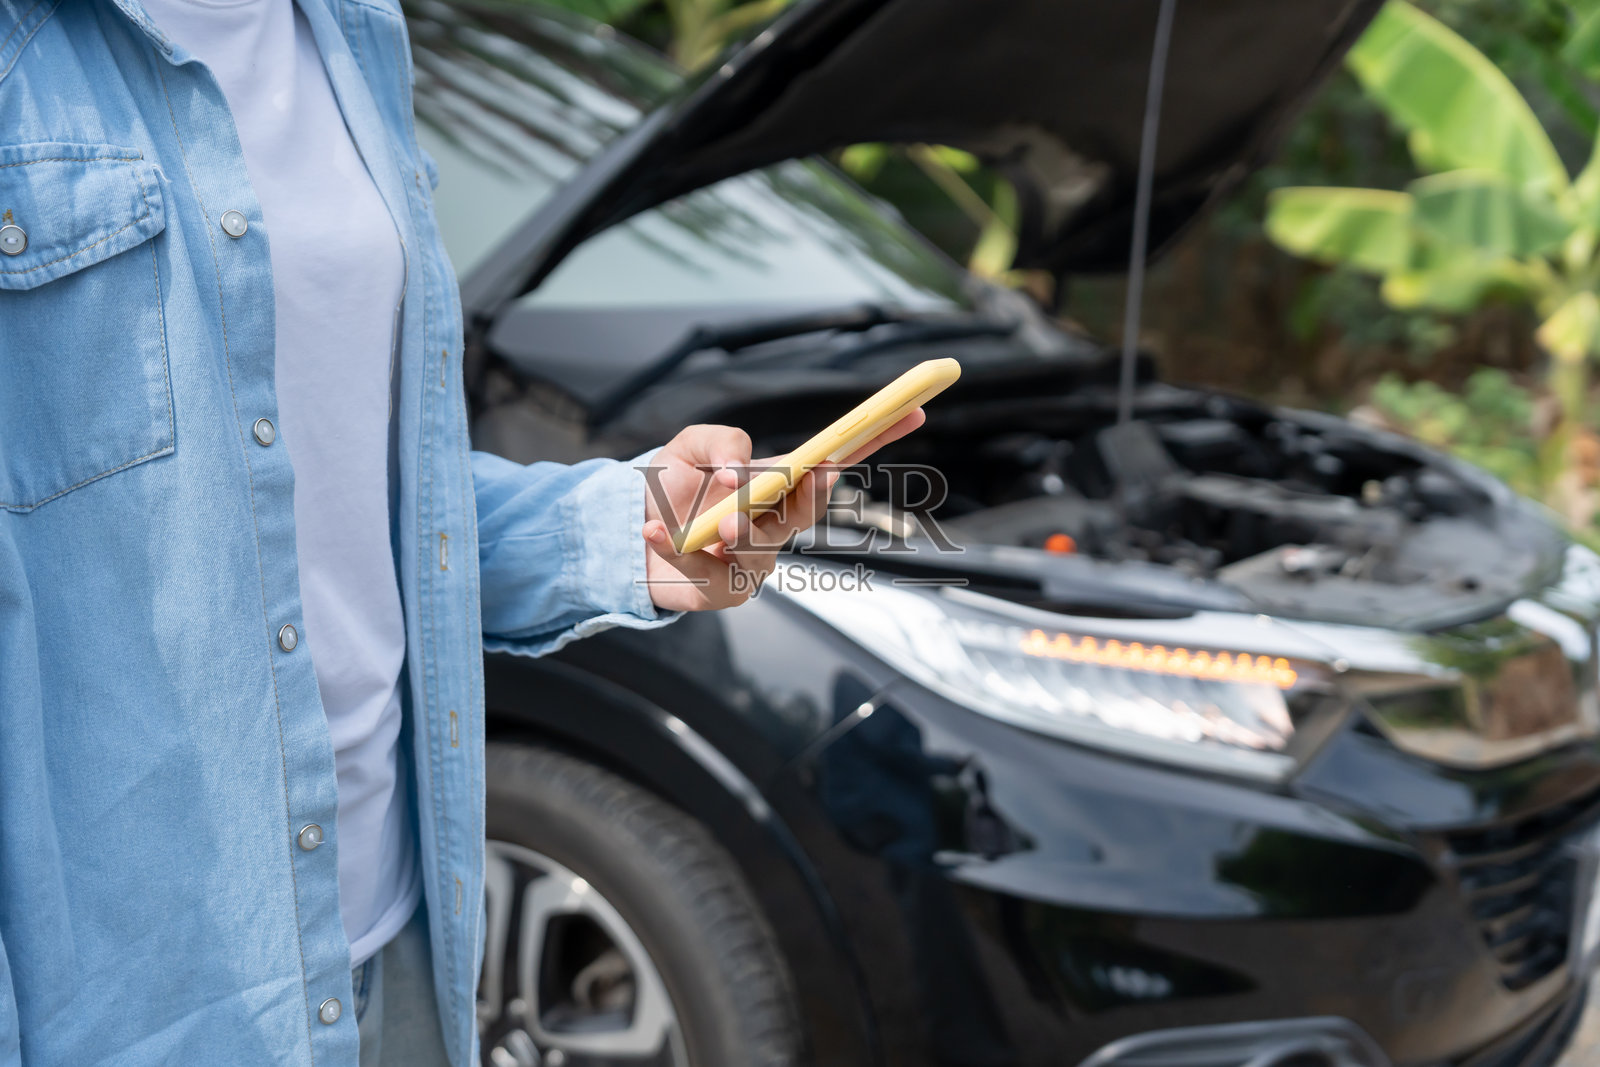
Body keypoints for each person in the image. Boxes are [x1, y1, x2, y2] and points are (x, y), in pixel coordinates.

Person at [0, 0, 922, 1063]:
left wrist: (627, 531)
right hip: (141, 1007)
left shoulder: (351, 36)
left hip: (396, 948)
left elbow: (337, 500)